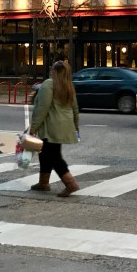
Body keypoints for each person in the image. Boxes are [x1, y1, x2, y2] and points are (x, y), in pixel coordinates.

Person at [29, 61, 81, 197]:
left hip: (52, 126)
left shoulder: (48, 84)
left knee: (54, 156)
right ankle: (43, 183)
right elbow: (75, 109)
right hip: (65, 125)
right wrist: (76, 126)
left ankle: (70, 183)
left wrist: (33, 127)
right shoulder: (68, 86)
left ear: (54, 71)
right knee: (45, 153)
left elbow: (42, 108)